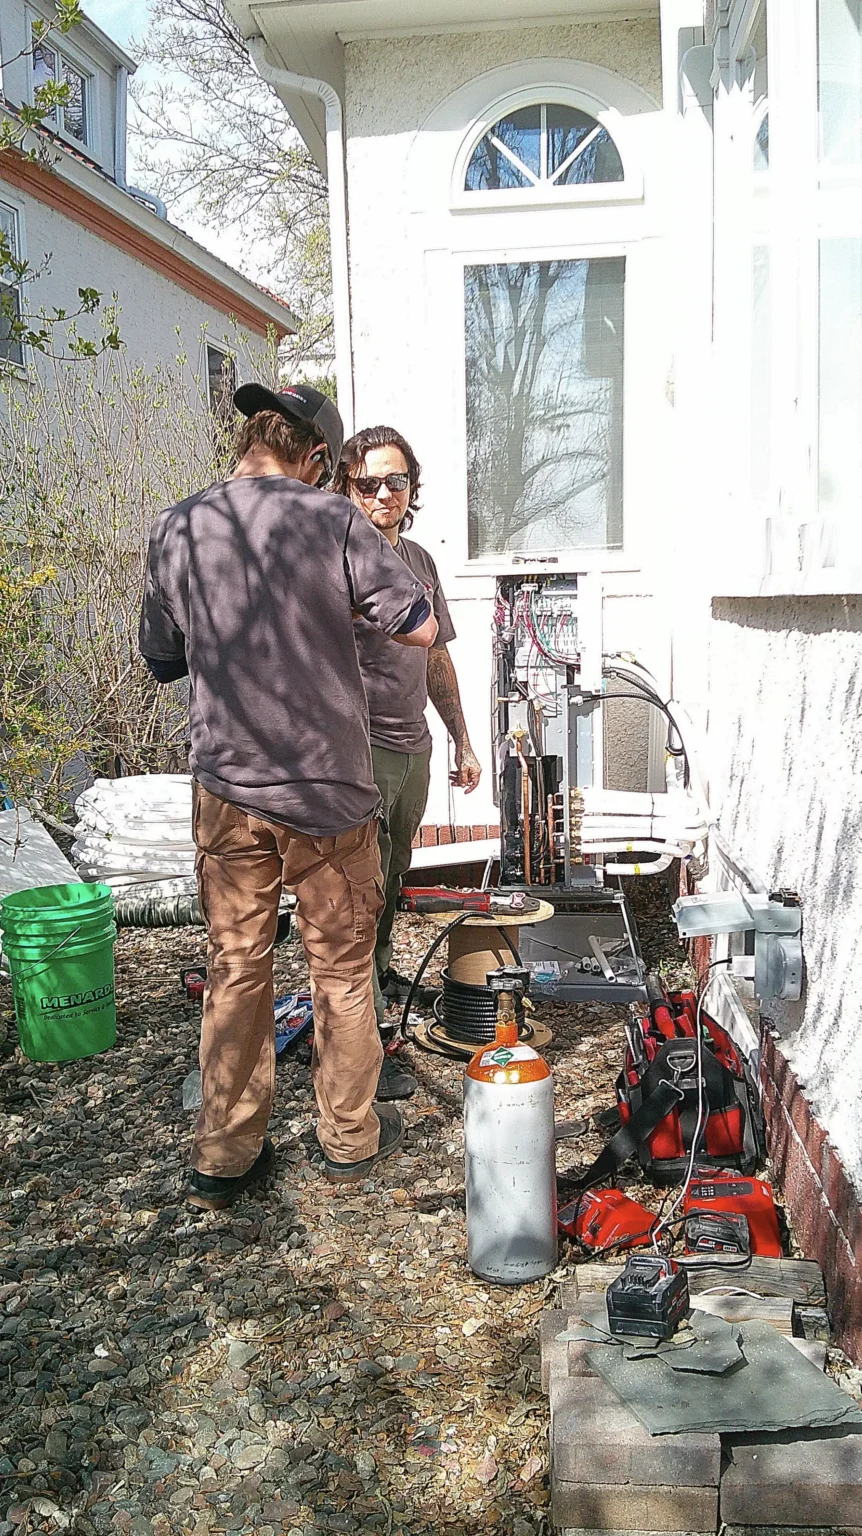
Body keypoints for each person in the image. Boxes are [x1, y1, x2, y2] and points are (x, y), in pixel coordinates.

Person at [139, 384, 438, 1208]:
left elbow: (163, 659)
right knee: (340, 971)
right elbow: (416, 625)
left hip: (227, 788)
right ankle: (348, 1142)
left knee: (236, 969)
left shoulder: (180, 527)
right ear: (316, 459)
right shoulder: (331, 520)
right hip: (330, 793)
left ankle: (224, 1157)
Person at [333, 426, 480, 1089]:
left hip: (412, 744)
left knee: (393, 874)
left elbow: (437, 654)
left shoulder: (418, 560)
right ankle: (361, 1033)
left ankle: (380, 973)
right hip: (356, 749)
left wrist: (463, 738)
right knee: (357, 887)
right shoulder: (334, 558)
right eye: (368, 483)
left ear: (412, 488)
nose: (384, 493)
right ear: (346, 489)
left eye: (396, 481)